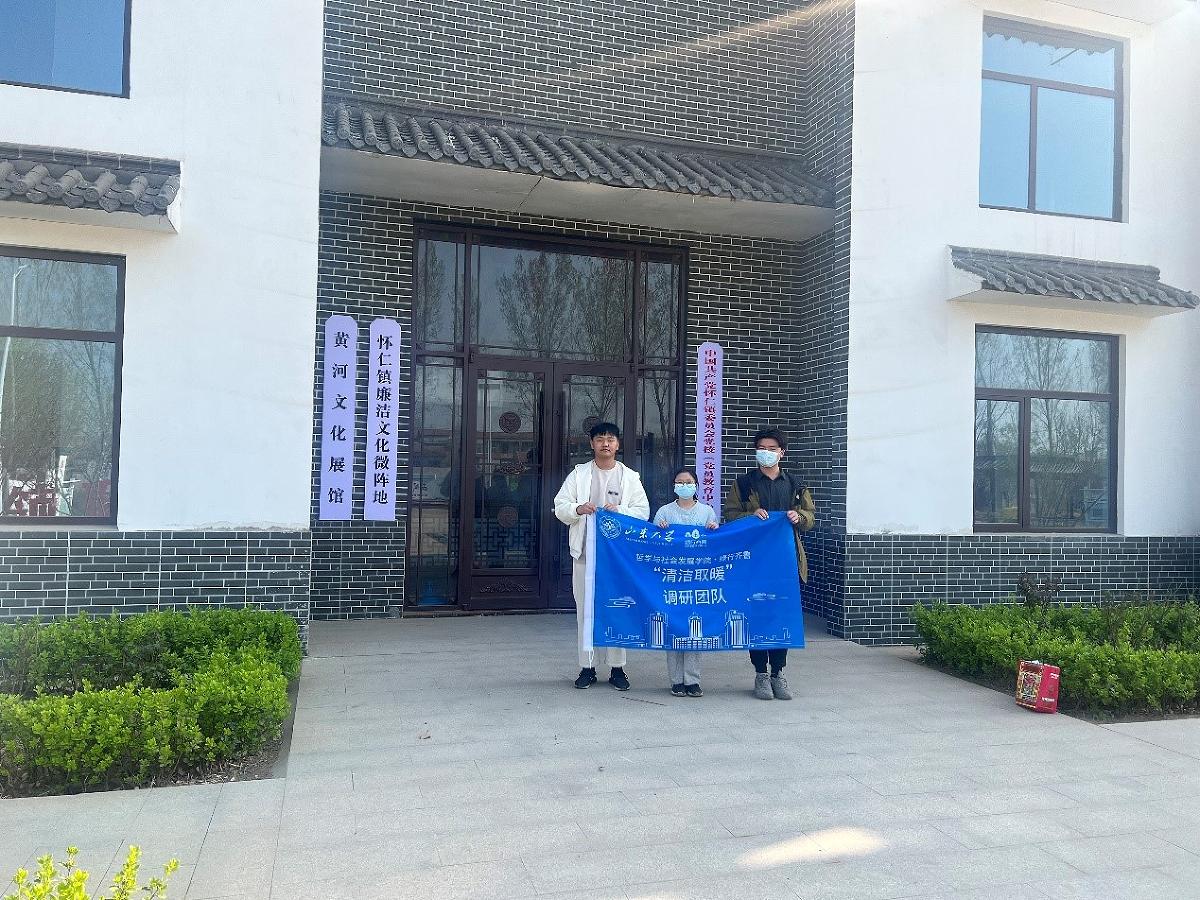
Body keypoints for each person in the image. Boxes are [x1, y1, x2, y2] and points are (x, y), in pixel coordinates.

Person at [553, 421, 650, 691]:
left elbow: (642, 511)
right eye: (599, 439)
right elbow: (560, 506)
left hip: (617, 559)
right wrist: (578, 508)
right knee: (586, 611)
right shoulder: (579, 474)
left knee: (618, 608)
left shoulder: (630, 477)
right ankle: (588, 667)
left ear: (618, 444)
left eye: (610, 439)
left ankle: (618, 667)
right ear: (592, 444)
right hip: (586, 555)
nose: (605, 444)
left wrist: (620, 510)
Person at [723, 428, 815, 701]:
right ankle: (760, 673)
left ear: (781, 452)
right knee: (757, 615)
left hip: (786, 562)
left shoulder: (795, 485)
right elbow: (730, 515)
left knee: (781, 616)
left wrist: (799, 517)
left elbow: (810, 517)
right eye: (761, 448)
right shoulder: (744, 484)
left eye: (772, 448)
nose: (766, 453)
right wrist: (751, 515)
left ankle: (778, 672)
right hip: (754, 562)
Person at [653, 468, 719, 698]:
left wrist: (713, 530)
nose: (684, 485)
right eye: (679, 482)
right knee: (673, 627)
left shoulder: (707, 511)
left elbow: (715, 544)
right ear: (674, 486)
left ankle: (692, 680)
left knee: (694, 628)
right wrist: (659, 529)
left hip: (697, 579)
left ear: (696, 486)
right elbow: (653, 543)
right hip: (672, 578)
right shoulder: (664, 511)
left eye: (688, 482)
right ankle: (676, 680)